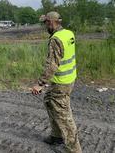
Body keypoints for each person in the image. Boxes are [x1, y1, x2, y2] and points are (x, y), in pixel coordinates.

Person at [31, 11, 82, 153]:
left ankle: (74, 150)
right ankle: (57, 136)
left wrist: (40, 84)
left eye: (45, 22)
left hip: (61, 83)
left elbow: (52, 65)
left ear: (51, 22)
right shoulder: (68, 33)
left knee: (64, 116)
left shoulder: (56, 39)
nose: (45, 26)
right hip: (68, 79)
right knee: (48, 100)